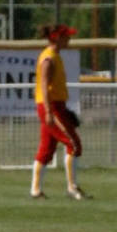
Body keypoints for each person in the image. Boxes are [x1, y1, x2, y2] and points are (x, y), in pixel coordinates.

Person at [32, 22, 85, 200]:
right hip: (51, 106)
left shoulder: (55, 55)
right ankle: (72, 187)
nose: (69, 39)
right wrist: (48, 111)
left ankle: (36, 190)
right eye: (66, 36)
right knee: (73, 144)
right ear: (57, 38)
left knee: (47, 148)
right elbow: (44, 87)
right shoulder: (48, 58)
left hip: (56, 106)